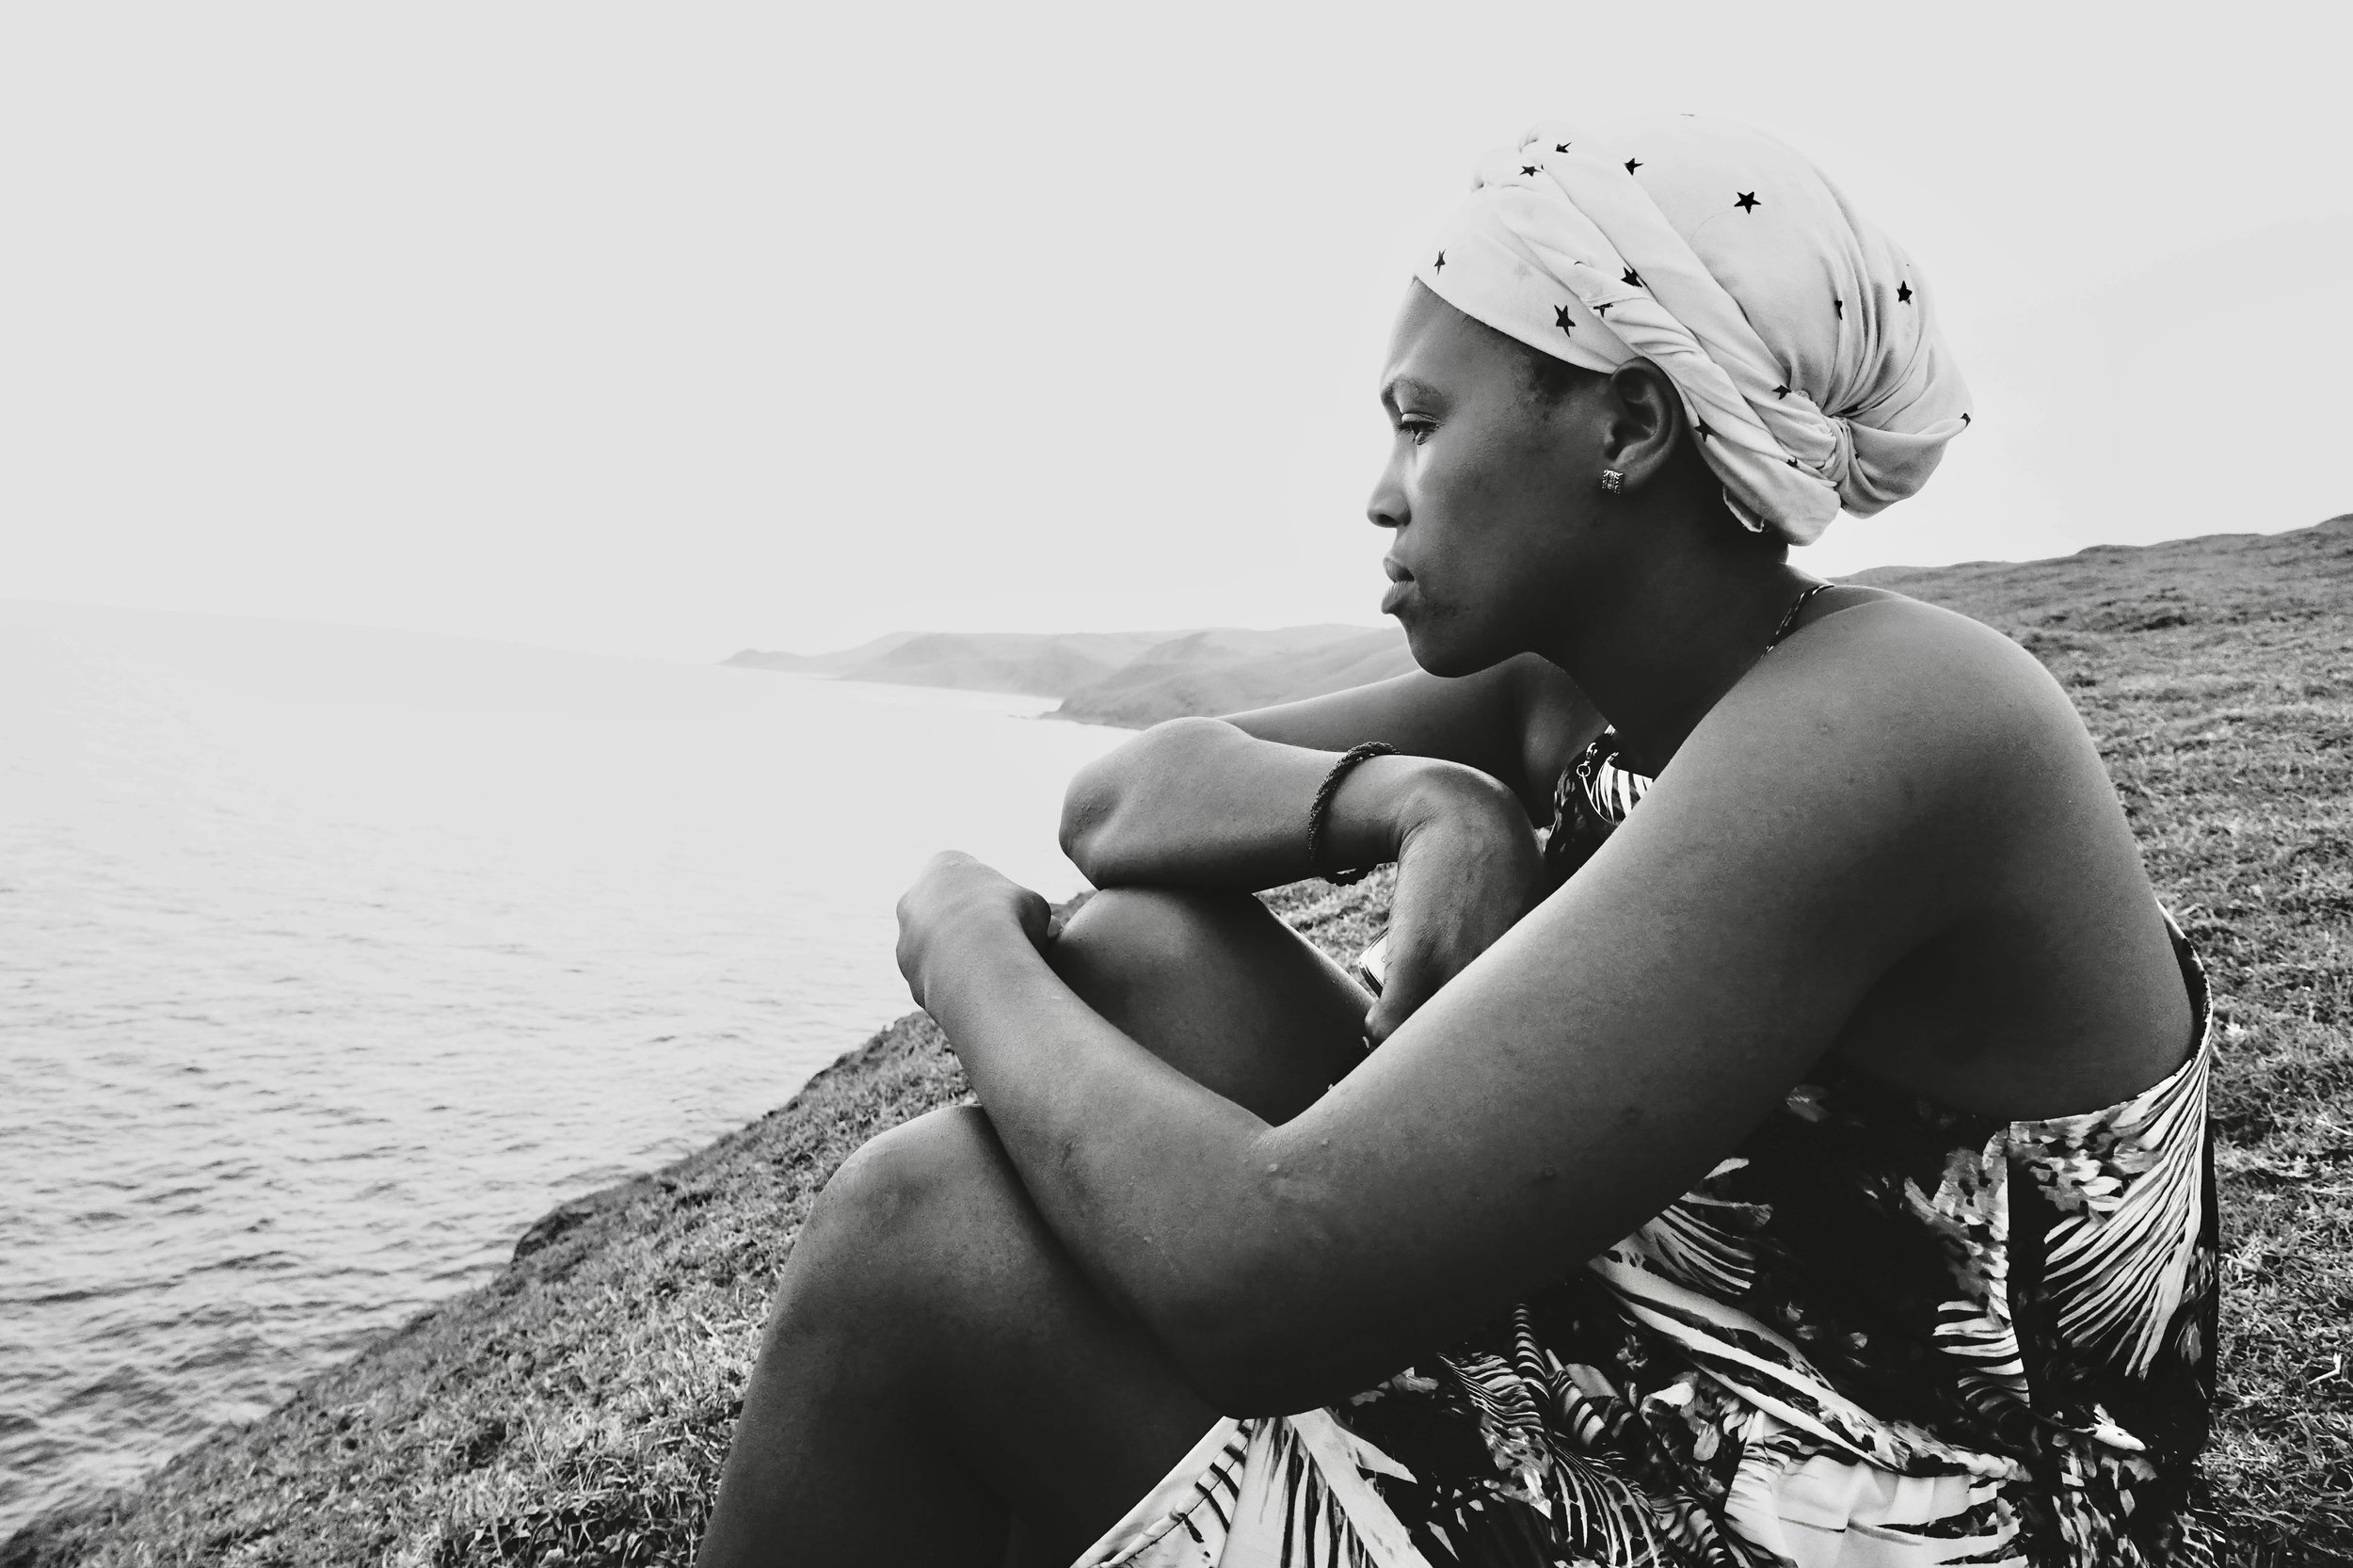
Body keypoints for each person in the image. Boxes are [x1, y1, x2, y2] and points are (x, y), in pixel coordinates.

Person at [697, 115, 2217, 1568]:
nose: (1380, 492)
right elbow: (1118, 802)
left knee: (920, 1234)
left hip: (1879, 1508)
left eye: (1421, 423)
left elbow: (1264, 1287)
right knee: (1138, 955)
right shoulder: (1564, 691)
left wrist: (962, 938)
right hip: (1641, 1373)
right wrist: (1425, 800)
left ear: (1629, 424)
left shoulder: (1905, 717)